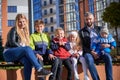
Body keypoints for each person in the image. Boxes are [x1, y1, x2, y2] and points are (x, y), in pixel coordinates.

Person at [3, 14, 52, 80]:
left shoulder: (25, 32)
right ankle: (39, 69)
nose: (22, 23)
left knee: (27, 61)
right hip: (9, 53)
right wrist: (24, 49)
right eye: (20, 22)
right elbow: (12, 43)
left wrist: (33, 54)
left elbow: (26, 48)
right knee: (27, 48)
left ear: (26, 22)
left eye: (23, 21)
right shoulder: (14, 29)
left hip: (19, 54)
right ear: (17, 22)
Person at [79, 12, 101, 80]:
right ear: (84, 20)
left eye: (90, 19)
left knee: (108, 58)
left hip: (99, 51)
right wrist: (91, 52)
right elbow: (82, 46)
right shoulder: (81, 32)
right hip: (88, 52)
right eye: (86, 19)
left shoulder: (100, 29)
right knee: (88, 58)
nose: (88, 21)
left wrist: (98, 51)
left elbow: (103, 40)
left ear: (93, 19)